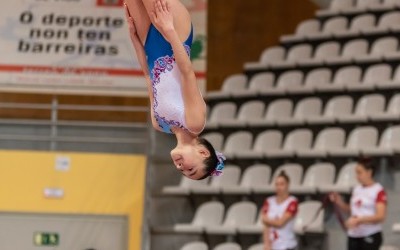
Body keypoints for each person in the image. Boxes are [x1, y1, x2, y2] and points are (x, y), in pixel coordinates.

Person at [123, 0, 224, 179]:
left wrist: (135, 40)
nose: (181, 167)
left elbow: (149, 76)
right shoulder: (195, 123)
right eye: (190, 169)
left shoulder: (159, 124)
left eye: (183, 172)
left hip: (148, 43)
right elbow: (187, 73)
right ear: (203, 153)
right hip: (175, 34)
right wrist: (169, 29)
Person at [330, 158, 387, 250]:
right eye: (356, 173)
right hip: (354, 235)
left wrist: (359, 220)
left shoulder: (378, 190)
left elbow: (380, 216)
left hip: (370, 234)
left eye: (360, 172)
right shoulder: (357, 189)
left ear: (369, 172)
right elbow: (353, 210)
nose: (357, 176)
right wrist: (339, 201)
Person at [262, 171, 298, 250]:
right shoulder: (269, 201)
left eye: (282, 184)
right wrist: (266, 243)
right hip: (273, 246)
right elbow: (265, 224)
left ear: (287, 185)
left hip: (287, 245)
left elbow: (281, 223)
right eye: (277, 184)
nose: (279, 187)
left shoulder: (292, 202)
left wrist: (268, 220)